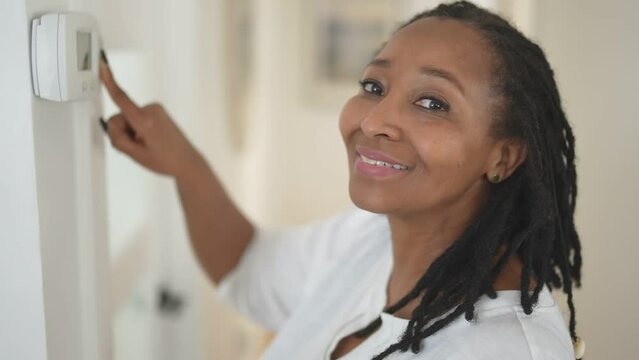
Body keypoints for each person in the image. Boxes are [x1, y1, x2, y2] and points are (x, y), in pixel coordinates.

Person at [99, 1, 584, 359]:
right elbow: (248, 265)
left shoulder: (509, 351)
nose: (374, 121)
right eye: (374, 86)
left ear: (503, 156)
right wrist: (186, 165)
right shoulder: (367, 239)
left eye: (432, 103)